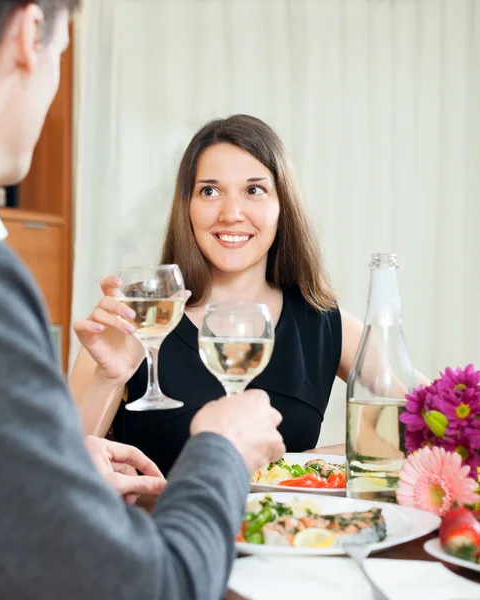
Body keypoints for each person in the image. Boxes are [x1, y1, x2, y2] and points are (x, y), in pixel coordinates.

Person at [0, 2, 285, 599]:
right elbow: (145, 589)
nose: (231, 211)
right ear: (30, 35)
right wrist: (221, 452)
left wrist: (62, 468)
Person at [70, 114, 367, 476]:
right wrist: (109, 378)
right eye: (210, 191)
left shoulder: (322, 321)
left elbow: (426, 423)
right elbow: (55, 475)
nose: (231, 214)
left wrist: (305, 463)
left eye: (254, 190)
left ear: (282, 206)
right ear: (187, 207)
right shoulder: (134, 319)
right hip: (164, 531)